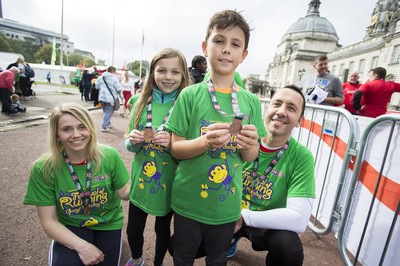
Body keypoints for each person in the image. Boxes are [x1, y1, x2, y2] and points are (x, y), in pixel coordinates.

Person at [165, 10, 267, 265]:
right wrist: (205, 142)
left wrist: (250, 145)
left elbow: (251, 157)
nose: (226, 50)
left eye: (235, 44)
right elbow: (176, 149)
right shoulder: (189, 95)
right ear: (205, 47)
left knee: (218, 257)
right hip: (188, 199)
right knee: (183, 256)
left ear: (243, 55)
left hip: (225, 205)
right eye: (219, 41)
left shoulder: (251, 101)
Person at [23, 102, 131, 266]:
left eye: (82, 127)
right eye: (66, 129)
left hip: (109, 223)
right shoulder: (43, 168)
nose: (76, 134)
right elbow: (49, 221)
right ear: (57, 134)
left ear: (90, 129)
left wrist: (143, 179)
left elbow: (124, 192)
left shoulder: (109, 155)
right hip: (71, 224)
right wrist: (83, 247)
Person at [227, 85, 315, 266]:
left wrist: (244, 217)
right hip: (229, 215)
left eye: (291, 108)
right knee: (180, 245)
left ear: (300, 121)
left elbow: (299, 219)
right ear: (267, 109)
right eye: (277, 104)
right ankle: (229, 239)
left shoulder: (301, 156)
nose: (281, 112)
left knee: (289, 249)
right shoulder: (243, 138)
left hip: (265, 223)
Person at [124, 48, 191, 266]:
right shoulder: (140, 102)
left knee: (162, 230)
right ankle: (137, 258)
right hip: (141, 184)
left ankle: (158, 263)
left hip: (169, 185)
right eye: (162, 71)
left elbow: (190, 149)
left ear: (183, 76)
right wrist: (133, 141)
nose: (168, 77)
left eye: (175, 72)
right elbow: (128, 143)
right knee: (133, 228)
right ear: (153, 72)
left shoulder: (187, 105)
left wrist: (173, 144)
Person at [95, 66, 122, 132]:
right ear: (113, 71)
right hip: (110, 99)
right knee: (108, 112)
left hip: (102, 97)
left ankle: (108, 123)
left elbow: (96, 86)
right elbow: (118, 88)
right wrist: (121, 97)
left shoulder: (101, 77)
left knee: (106, 112)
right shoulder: (114, 78)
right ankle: (104, 126)